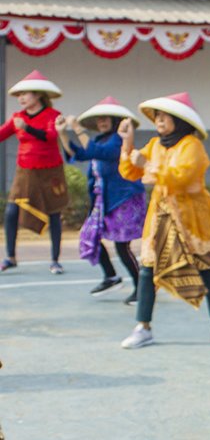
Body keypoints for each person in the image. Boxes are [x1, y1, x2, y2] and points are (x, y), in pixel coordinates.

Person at [117, 92, 210, 349]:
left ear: (179, 120)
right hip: (161, 217)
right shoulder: (155, 145)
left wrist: (149, 165)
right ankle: (143, 327)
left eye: (164, 116)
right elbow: (130, 171)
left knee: (207, 269)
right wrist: (127, 144)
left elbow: (181, 177)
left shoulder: (192, 145)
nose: (159, 120)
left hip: (192, 218)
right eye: (157, 116)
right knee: (147, 271)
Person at [55, 97, 146, 305]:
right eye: (99, 119)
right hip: (103, 199)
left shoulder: (117, 140)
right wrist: (62, 133)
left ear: (115, 120)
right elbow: (79, 154)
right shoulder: (98, 139)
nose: (102, 122)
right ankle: (111, 276)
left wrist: (77, 128)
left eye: (106, 119)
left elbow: (99, 153)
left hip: (124, 198)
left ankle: (142, 288)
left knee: (122, 246)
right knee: (90, 236)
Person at [0, 70, 68, 275]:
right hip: (25, 171)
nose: (20, 98)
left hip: (50, 171)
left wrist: (27, 128)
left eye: (25, 94)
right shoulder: (17, 117)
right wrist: (22, 126)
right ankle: (10, 257)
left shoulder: (52, 116)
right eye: (19, 95)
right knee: (11, 212)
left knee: (54, 213)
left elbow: (50, 136)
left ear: (38, 95)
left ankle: (55, 260)